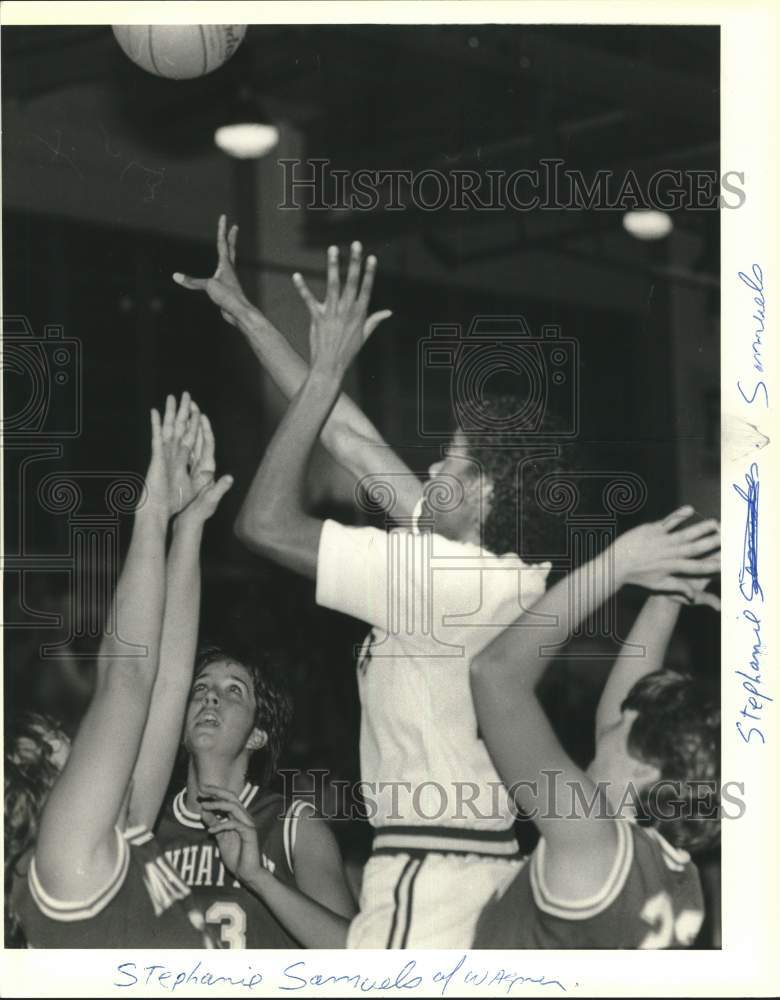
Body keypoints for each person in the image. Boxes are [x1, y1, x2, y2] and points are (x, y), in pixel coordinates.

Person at [173, 229, 721, 948]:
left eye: (451, 465)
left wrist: (324, 372)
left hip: (426, 874)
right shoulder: (499, 574)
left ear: (487, 494)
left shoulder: (437, 580)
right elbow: (348, 437)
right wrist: (249, 317)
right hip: (487, 864)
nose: (430, 470)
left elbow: (265, 524)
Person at [5, 396, 233, 947]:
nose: (62, 732)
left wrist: (188, 526)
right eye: (43, 737)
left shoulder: (108, 837)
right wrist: (150, 515)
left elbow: (166, 682)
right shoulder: (63, 863)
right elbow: (125, 680)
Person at [470, 508, 721, 948]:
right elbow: (619, 711)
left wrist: (615, 565)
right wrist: (668, 597)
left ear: (646, 768)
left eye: (624, 725)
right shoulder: (680, 875)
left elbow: (495, 675)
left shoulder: (590, 842)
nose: (607, 728)